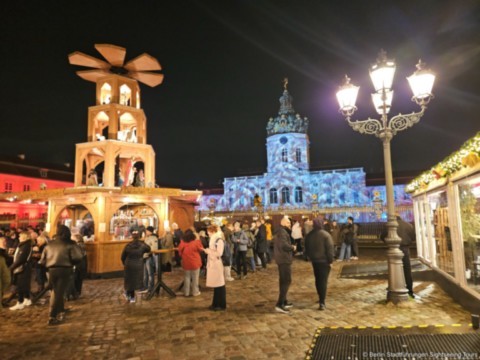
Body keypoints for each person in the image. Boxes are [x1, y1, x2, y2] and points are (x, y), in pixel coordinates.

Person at [39, 225, 84, 325]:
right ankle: (52, 316)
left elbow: (42, 260)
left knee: (56, 291)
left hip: (51, 270)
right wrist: (71, 263)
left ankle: (60, 310)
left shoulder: (49, 244)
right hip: (65, 270)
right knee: (58, 293)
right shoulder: (70, 244)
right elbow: (78, 257)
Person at [381, 215, 416, 298]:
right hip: (405, 248)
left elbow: (382, 236)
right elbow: (413, 237)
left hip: (393, 248)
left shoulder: (389, 225)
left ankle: (394, 287)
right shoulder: (408, 225)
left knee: (393, 268)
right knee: (407, 269)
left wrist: (389, 243)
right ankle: (410, 290)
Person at [304, 218, 334, 310]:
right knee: (323, 281)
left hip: (315, 261)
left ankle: (320, 296)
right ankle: (322, 301)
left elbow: (306, 247)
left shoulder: (309, 235)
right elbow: (330, 250)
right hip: (324, 261)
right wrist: (330, 261)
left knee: (318, 280)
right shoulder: (326, 235)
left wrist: (310, 256)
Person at [121, 227, 151, 303]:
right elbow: (149, 249)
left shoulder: (128, 246)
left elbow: (122, 256)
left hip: (129, 265)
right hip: (138, 265)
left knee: (129, 281)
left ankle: (130, 297)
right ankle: (131, 297)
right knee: (136, 281)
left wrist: (125, 263)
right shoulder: (142, 245)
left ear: (132, 236)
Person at [274, 216, 296, 314]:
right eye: (288, 223)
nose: (289, 225)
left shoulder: (281, 231)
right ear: (283, 223)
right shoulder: (282, 232)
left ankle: (284, 301)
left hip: (282, 259)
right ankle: (280, 304)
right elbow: (284, 245)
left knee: (283, 280)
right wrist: (292, 247)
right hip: (284, 259)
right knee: (286, 280)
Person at [9, 232, 33, 311]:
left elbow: (21, 259)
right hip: (24, 268)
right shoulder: (25, 245)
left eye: (20, 236)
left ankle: (20, 302)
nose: (18, 237)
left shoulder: (25, 246)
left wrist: (11, 267)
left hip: (22, 268)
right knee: (24, 284)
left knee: (20, 285)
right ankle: (27, 299)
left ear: (24, 237)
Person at [204, 224, 226, 311]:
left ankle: (220, 304)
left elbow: (219, 253)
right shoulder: (213, 239)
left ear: (212, 231)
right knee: (217, 285)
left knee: (219, 285)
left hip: (216, 265)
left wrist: (208, 252)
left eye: (208, 232)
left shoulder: (218, 240)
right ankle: (215, 303)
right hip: (214, 264)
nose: (208, 233)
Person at [178, 229, 203, 297]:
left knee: (186, 277)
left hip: (186, 262)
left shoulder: (182, 243)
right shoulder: (196, 242)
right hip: (195, 262)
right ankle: (195, 292)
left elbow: (179, 252)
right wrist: (198, 239)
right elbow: (201, 249)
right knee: (195, 278)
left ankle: (186, 292)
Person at [143, 226, 158, 293]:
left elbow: (154, 248)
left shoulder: (154, 238)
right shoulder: (147, 238)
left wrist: (148, 252)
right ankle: (145, 287)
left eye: (147, 231)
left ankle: (150, 288)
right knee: (145, 274)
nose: (146, 232)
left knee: (150, 274)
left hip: (149, 257)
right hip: (145, 257)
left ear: (150, 231)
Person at [0, 236, 11, 307]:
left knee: (4, 284)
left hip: (6, 269)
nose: (5, 243)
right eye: (3, 241)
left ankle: (1, 301)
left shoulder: (4, 250)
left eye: (5, 241)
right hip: (3, 270)